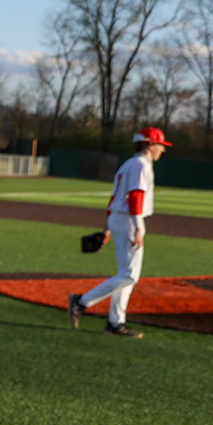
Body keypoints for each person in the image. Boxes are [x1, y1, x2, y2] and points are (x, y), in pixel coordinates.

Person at [70, 126, 170, 339]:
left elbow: (114, 198)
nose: (162, 149)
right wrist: (138, 227)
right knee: (129, 275)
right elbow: (135, 197)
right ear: (149, 145)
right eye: (160, 145)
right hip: (129, 220)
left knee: (127, 274)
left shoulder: (129, 164)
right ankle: (81, 302)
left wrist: (107, 227)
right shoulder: (141, 165)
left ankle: (115, 322)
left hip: (120, 218)